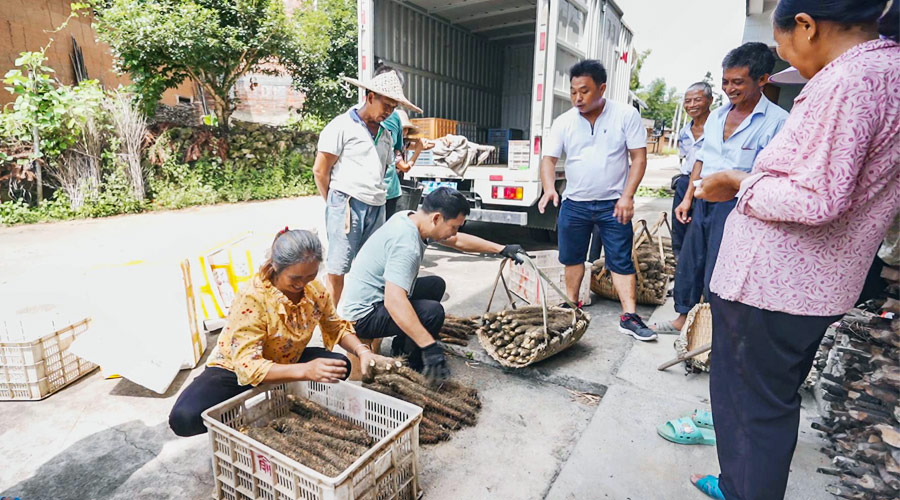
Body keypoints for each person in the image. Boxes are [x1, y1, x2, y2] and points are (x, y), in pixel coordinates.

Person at [688, 1, 900, 498]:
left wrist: (740, 182)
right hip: (809, 284)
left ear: (806, 26)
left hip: (775, 285)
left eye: (783, 45)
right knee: (767, 402)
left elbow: (819, 197)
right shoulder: (887, 70)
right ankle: (740, 481)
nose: (787, 60)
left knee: (751, 409)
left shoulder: (850, 83)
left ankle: (745, 489)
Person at [168, 229, 391, 437]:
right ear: (276, 266)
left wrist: (363, 352)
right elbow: (249, 366)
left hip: (286, 359)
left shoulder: (314, 291)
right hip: (236, 369)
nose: (303, 284)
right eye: (295, 279)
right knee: (184, 418)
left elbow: (335, 326)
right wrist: (305, 370)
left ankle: (288, 398)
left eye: (310, 276)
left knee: (339, 365)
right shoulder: (253, 298)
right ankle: (240, 417)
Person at [652, 43, 788, 335]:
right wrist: (688, 198)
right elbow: (702, 158)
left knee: (720, 267)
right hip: (703, 199)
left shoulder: (777, 121)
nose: (729, 88)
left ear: (762, 79)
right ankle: (682, 318)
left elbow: (771, 176)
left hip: (737, 207)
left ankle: (711, 330)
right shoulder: (716, 116)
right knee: (691, 259)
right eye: (725, 81)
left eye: (738, 82)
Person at [338, 188, 526, 381]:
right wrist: (429, 346)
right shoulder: (407, 245)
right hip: (362, 316)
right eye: (454, 226)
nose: (455, 232)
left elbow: (457, 241)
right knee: (432, 312)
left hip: (373, 297)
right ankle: (412, 363)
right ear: (436, 218)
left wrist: (502, 249)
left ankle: (402, 346)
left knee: (435, 285)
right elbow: (394, 302)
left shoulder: (409, 218)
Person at [538, 59, 656, 341]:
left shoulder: (625, 115)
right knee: (571, 258)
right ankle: (571, 305)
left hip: (613, 204)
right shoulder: (564, 122)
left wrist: (627, 196)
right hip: (575, 203)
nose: (578, 98)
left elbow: (639, 158)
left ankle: (629, 316)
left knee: (620, 260)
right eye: (573, 91)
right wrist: (549, 188)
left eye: (585, 91)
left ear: (602, 88)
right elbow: (549, 159)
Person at [313, 66, 422, 306]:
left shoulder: (385, 134)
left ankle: (361, 320)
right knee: (338, 268)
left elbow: (383, 172)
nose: (389, 113)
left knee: (370, 266)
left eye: (394, 109)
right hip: (347, 204)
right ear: (370, 97)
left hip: (377, 207)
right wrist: (334, 204)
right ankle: (331, 326)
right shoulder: (341, 126)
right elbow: (321, 171)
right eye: (386, 106)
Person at [672, 82, 713, 259]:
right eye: (687, 101)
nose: (691, 105)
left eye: (697, 100)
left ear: (710, 100)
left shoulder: (718, 127)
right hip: (685, 182)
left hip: (707, 184)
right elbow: (686, 159)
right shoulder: (684, 131)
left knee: (700, 232)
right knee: (680, 228)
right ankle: (679, 268)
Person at [381, 109, 432, 219]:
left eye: (406, 130)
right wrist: (417, 151)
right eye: (402, 129)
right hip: (387, 189)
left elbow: (423, 146)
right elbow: (405, 167)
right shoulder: (393, 148)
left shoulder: (403, 143)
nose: (404, 132)